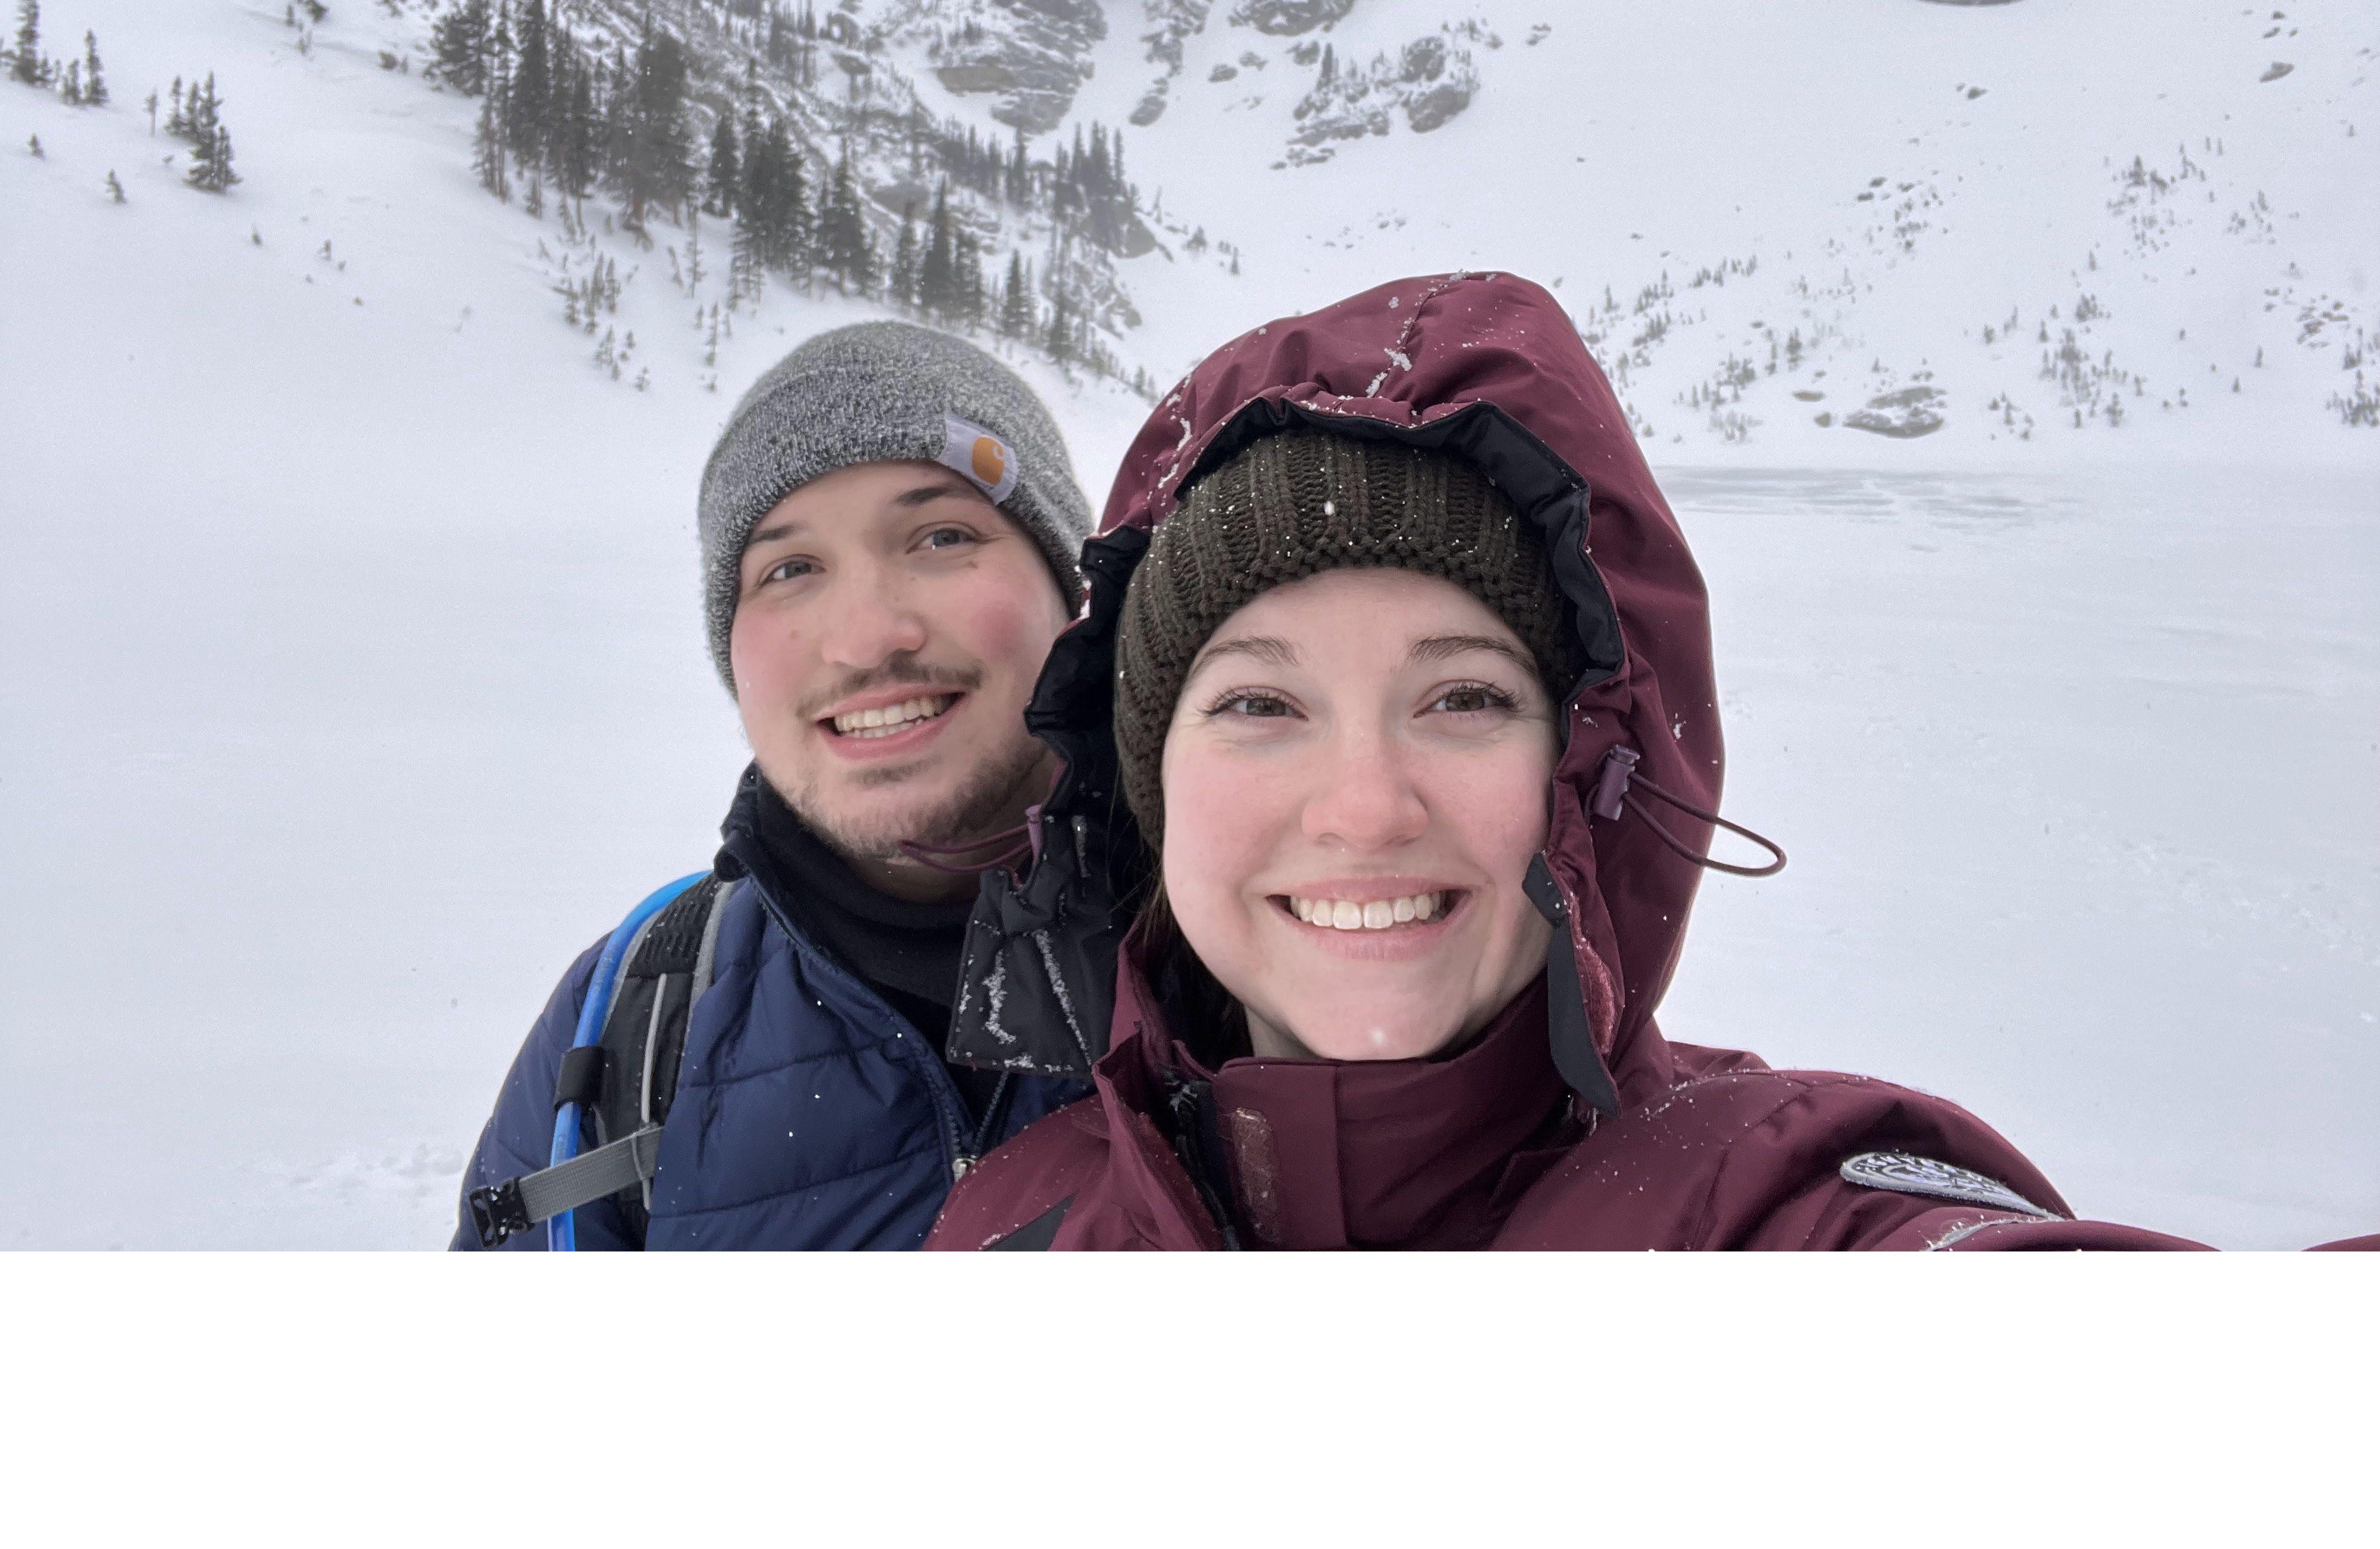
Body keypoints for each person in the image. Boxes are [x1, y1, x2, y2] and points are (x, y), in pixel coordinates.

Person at [930, 270, 2352, 1251]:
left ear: (1581, 777)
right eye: (1257, 706)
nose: (1365, 805)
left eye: (1468, 700)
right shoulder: (1011, 1226)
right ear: (1146, 785)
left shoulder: (1764, 1205)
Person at [453, 322, 1094, 1249]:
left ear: (1070, 595)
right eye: (790, 568)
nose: (867, 636)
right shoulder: (638, 1010)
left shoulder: (1263, 955)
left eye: (942, 536)